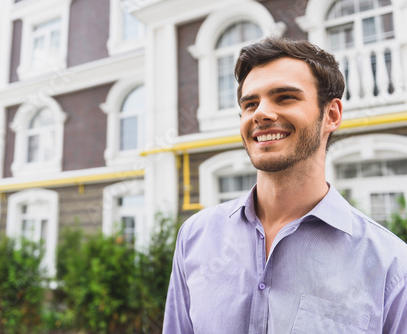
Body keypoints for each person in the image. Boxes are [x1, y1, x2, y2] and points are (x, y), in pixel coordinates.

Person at [162, 37, 407, 333]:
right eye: (250, 103)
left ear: (331, 115)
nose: (261, 113)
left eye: (285, 97)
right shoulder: (195, 237)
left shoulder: (391, 266)